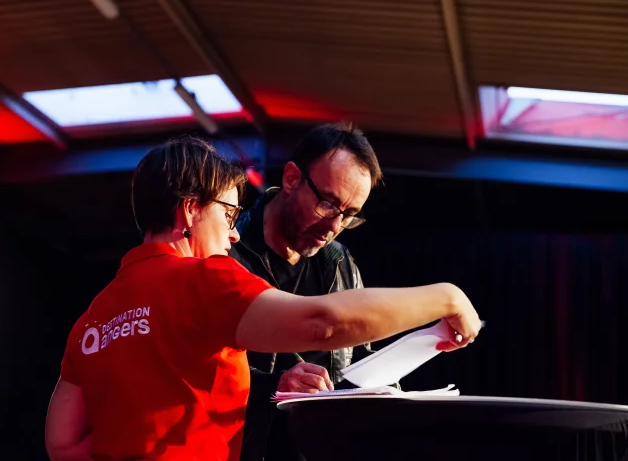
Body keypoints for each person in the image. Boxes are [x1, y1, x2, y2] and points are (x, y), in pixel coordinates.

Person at [45, 136, 481, 461]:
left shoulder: (93, 317)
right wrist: (448, 296)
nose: (234, 232)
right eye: (230, 214)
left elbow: (62, 443)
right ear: (191, 209)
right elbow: (322, 324)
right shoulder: (206, 278)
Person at [230, 123, 389, 461]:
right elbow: (197, 368)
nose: (334, 227)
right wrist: (274, 386)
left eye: (349, 215)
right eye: (328, 204)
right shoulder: (227, 252)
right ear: (291, 178)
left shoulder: (339, 262)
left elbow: (358, 359)